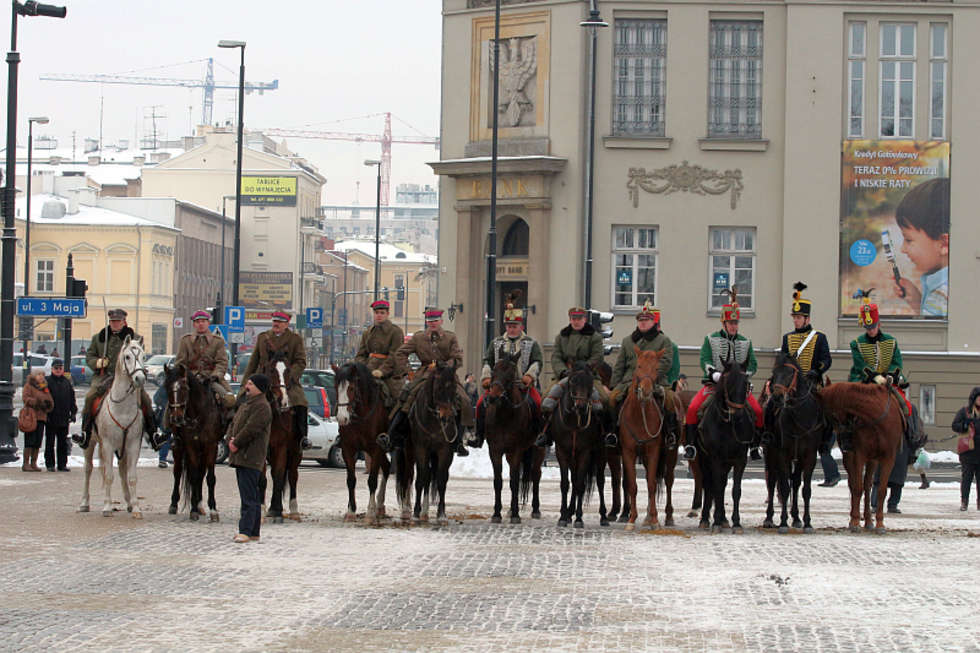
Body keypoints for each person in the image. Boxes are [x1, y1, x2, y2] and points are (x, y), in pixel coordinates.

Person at [378, 307, 473, 456]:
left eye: (435, 321)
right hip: (424, 375)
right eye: (430, 321)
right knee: (406, 396)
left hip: (446, 376)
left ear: (441, 321)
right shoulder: (418, 338)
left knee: (464, 400)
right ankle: (392, 435)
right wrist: (408, 371)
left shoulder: (450, 337)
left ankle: (459, 441)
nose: (432, 323)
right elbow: (400, 353)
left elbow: (457, 359)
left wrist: (444, 366)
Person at [684, 289, 763, 460]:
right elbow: (704, 359)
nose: (734, 326)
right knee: (692, 408)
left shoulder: (745, 342)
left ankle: (755, 445)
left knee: (757, 410)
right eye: (731, 322)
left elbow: (754, 365)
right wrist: (714, 374)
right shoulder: (710, 339)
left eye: (736, 323)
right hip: (715, 385)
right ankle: (690, 445)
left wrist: (743, 376)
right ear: (724, 323)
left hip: (739, 388)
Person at [75, 309, 155, 450]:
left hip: (127, 378)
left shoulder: (135, 338)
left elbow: (139, 358)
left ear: (124, 322)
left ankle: (153, 434)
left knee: (145, 399)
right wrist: (98, 362)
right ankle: (85, 433)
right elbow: (90, 356)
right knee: (90, 397)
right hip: (104, 376)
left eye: (118, 321)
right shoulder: (99, 338)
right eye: (112, 321)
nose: (115, 324)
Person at [769, 282, 834, 457]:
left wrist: (817, 371)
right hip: (790, 384)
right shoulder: (787, 338)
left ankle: (825, 444)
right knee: (770, 406)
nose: (796, 321)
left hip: (811, 383)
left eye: (799, 318)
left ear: (807, 319)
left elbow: (827, 360)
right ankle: (768, 437)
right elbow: (782, 361)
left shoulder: (819, 338)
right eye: (794, 318)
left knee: (828, 412)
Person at [606, 302, 677, 448]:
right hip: (628, 381)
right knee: (612, 399)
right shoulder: (628, 341)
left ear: (653, 322)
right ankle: (613, 432)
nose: (643, 323)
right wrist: (614, 385)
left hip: (656, 381)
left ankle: (669, 432)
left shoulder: (663, 341)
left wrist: (650, 376)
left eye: (646, 321)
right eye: (640, 321)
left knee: (670, 399)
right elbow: (620, 364)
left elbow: (667, 361)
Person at [535, 306, 607, 448]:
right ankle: (546, 433)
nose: (576, 321)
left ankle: (605, 432)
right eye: (573, 318)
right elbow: (555, 357)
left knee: (605, 399)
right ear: (570, 319)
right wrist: (563, 371)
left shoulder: (594, 336)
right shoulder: (562, 337)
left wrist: (584, 369)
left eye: (579, 318)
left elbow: (598, 356)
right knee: (546, 398)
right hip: (565, 374)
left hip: (588, 376)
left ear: (585, 319)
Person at [475, 301, 544, 448]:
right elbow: (487, 360)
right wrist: (486, 376)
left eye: (514, 326)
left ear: (521, 327)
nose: (512, 329)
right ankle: (479, 435)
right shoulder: (496, 342)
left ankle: (539, 434)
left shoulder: (531, 343)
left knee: (538, 403)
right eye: (509, 326)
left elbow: (537, 361)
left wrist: (530, 376)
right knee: (481, 403)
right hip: (499, 386)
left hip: (523, 385)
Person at [239, 311, 310, 450]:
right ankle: (235, 434)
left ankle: (303, 437)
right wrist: (245, 384)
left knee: (301, 403)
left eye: (280, 322)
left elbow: (301, 362)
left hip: (286, 381)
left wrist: (289, 377)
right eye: (274, 321)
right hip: (262, 382)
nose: (276, 324)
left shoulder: (295, 339)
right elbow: (253, 362)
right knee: (241, 402)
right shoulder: (263, 338)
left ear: (286, 324)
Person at [892, 178, 950, 316]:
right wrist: (917, 302)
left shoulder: (941, 295)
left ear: (943, 244)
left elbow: (929, 336)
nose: (903, 249)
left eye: (908, 240)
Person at [228, 374, 272, 543]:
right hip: (241, 456)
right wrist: (229, 438)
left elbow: (251, 428)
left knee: (249, 497)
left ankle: (245, 530)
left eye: (251, 384)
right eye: (247, 383)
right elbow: (234, 424)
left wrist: (236, 443)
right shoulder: (246, 404)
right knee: (250, 495)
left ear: (259, 388)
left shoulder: (262, 407)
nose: (247, 386)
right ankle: (253, 531)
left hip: (250, 456)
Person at [174, 310, 237, 411]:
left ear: (208, 323)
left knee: (230, 400)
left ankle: (229, 424)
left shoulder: (218, 341)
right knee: (168, 399)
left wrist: (215, 375)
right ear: (194, 324)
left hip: (211, 379)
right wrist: (185, 376)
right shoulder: (185, 341)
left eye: (203, 321)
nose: (201, 324)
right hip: (189, 379)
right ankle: (166, 424)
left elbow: (222, 362)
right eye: (198, 322)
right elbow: (180, 363)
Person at [353, 299, 406, 409]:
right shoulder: (367, 332)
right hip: (368, 370)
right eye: (376, 313)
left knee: (398, 399)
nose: (379, 315)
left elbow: (394, 355)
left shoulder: (395, 332)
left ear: (387, 314)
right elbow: (360, 355)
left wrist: (381, 371)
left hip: (389, 374)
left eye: (382, 313)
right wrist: (364, 368)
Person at [44, 359, 77, 472]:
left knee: (62, 443)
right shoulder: (47, 381)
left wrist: (73, 412)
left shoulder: (66, 382)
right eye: (56, 368)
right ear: (52, 369)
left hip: (64, 417)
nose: (58, 370)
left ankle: (62, 464)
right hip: (51, 417)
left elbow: (72, 398)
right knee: (50, 442)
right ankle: (50, 464)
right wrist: (45, 414)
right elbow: (43, 399)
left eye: (60, 368)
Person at [951, 386, 980, 511]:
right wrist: (964, 425)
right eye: (979, 398)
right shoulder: (965, 411)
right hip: (968, 452)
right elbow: (954, 425)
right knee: (967, 479)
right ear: (973, 399)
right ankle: (964, 502)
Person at [20, 370, 53, 472]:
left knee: (38, 441)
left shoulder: (44, 388)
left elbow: (50, 401)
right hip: (31, 417)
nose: (41, 377)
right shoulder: (28, 386)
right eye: (39, 374)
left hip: (41, 417)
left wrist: (47, 404)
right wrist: (37, 402)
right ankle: (25, 463)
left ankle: (34, 462)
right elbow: (25, 399)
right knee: (30, 440)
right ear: (34, 376)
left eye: (43, 375)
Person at [152, 383, 172, 468]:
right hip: (167, 413)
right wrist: (166, 406)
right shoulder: (166, 385)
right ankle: (162, 459)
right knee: (166, 434)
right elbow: (156, 399)